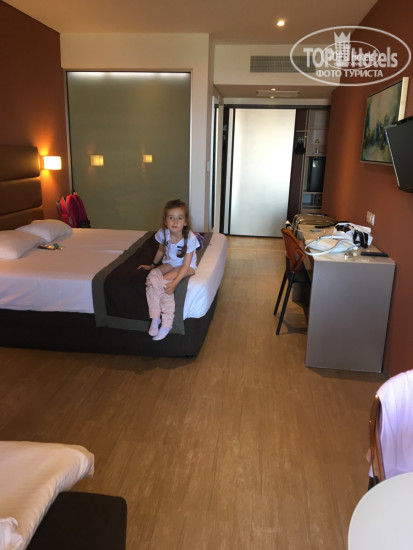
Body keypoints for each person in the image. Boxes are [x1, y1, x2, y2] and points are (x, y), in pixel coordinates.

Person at [138, 199, 199, 341]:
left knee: (164, 282)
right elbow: (161, 251)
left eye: (179, 218)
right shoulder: (163, 234)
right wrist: (153, 265)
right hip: (170, 263)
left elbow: (185, 265)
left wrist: (174, 284)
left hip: (187, 267)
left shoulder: (190, 238)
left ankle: (167, 323)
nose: (175, 222)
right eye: (171, 218)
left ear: (185, 222)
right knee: (152, 276)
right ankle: (155, 317)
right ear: (165, 221)